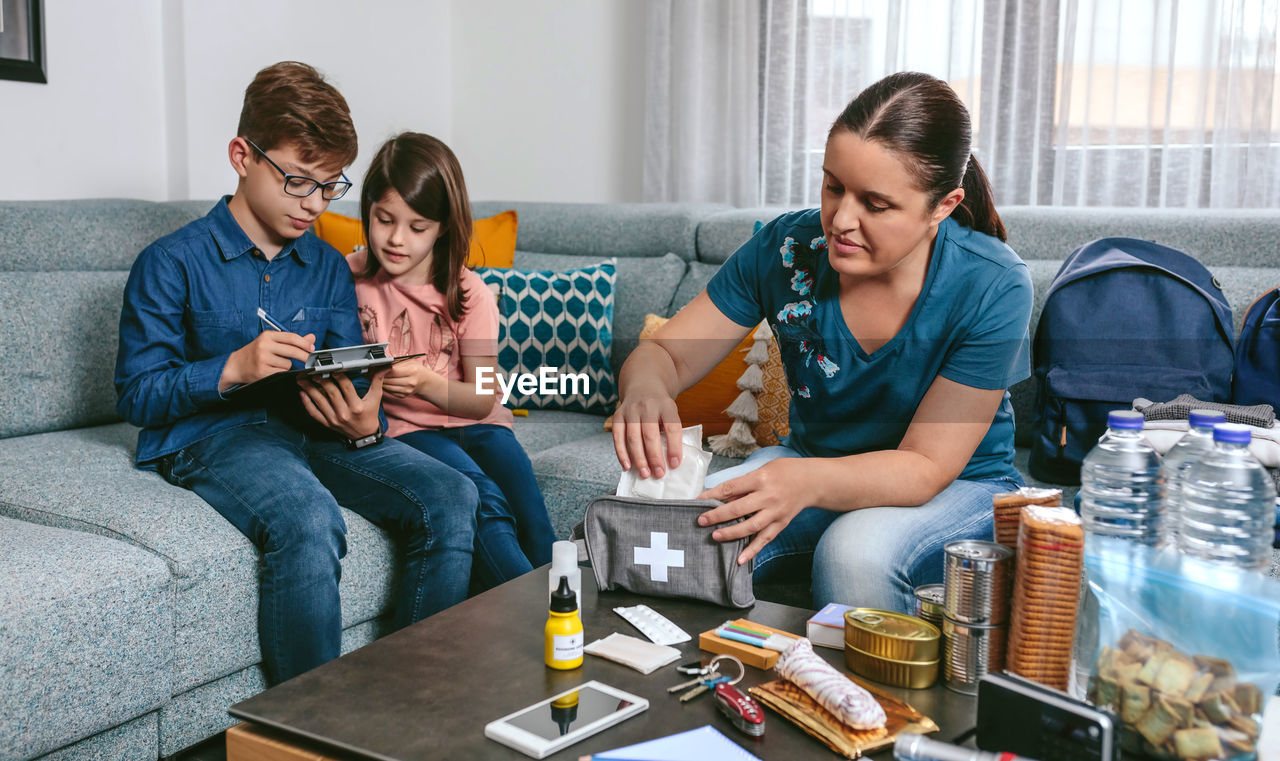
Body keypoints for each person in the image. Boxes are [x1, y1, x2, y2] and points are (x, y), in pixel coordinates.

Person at [611, 72, 1032, 614]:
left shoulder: (991, 283)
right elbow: (666, 353)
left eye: (876, 204)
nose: (841, 220)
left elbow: (926, 464)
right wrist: (645, 387)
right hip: (810, 466)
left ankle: (860, 703)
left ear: (943, 206)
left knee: (852, 554)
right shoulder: (786, 248)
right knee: (649, 537)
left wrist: (801, 479)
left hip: (956, 487)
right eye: (833, 186)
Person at [114, 62, 479, 685]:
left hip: (313, 427)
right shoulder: (170, 262)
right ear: (241, 156)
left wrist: (368, 421)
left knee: (453, 494)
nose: (313, 204)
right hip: (214, 438)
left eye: (330, 187)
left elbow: (350, 372)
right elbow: (138, 394)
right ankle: (307, 735)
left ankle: (414, 701)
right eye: (297, 181)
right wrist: (232, 367)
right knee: (309, 517)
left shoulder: (327, 267)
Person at [348, 132, 556, 590]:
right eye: (384, 220)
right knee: (486, 503)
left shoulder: (469, 293)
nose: (397, 239)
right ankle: (537, 621)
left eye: (417, 227)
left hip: (478, 421)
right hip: (410, 431)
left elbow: (481, 400)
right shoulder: (351, 277)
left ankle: (575, 616)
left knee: (532, 517)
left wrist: (423, 381)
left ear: (442, 226)